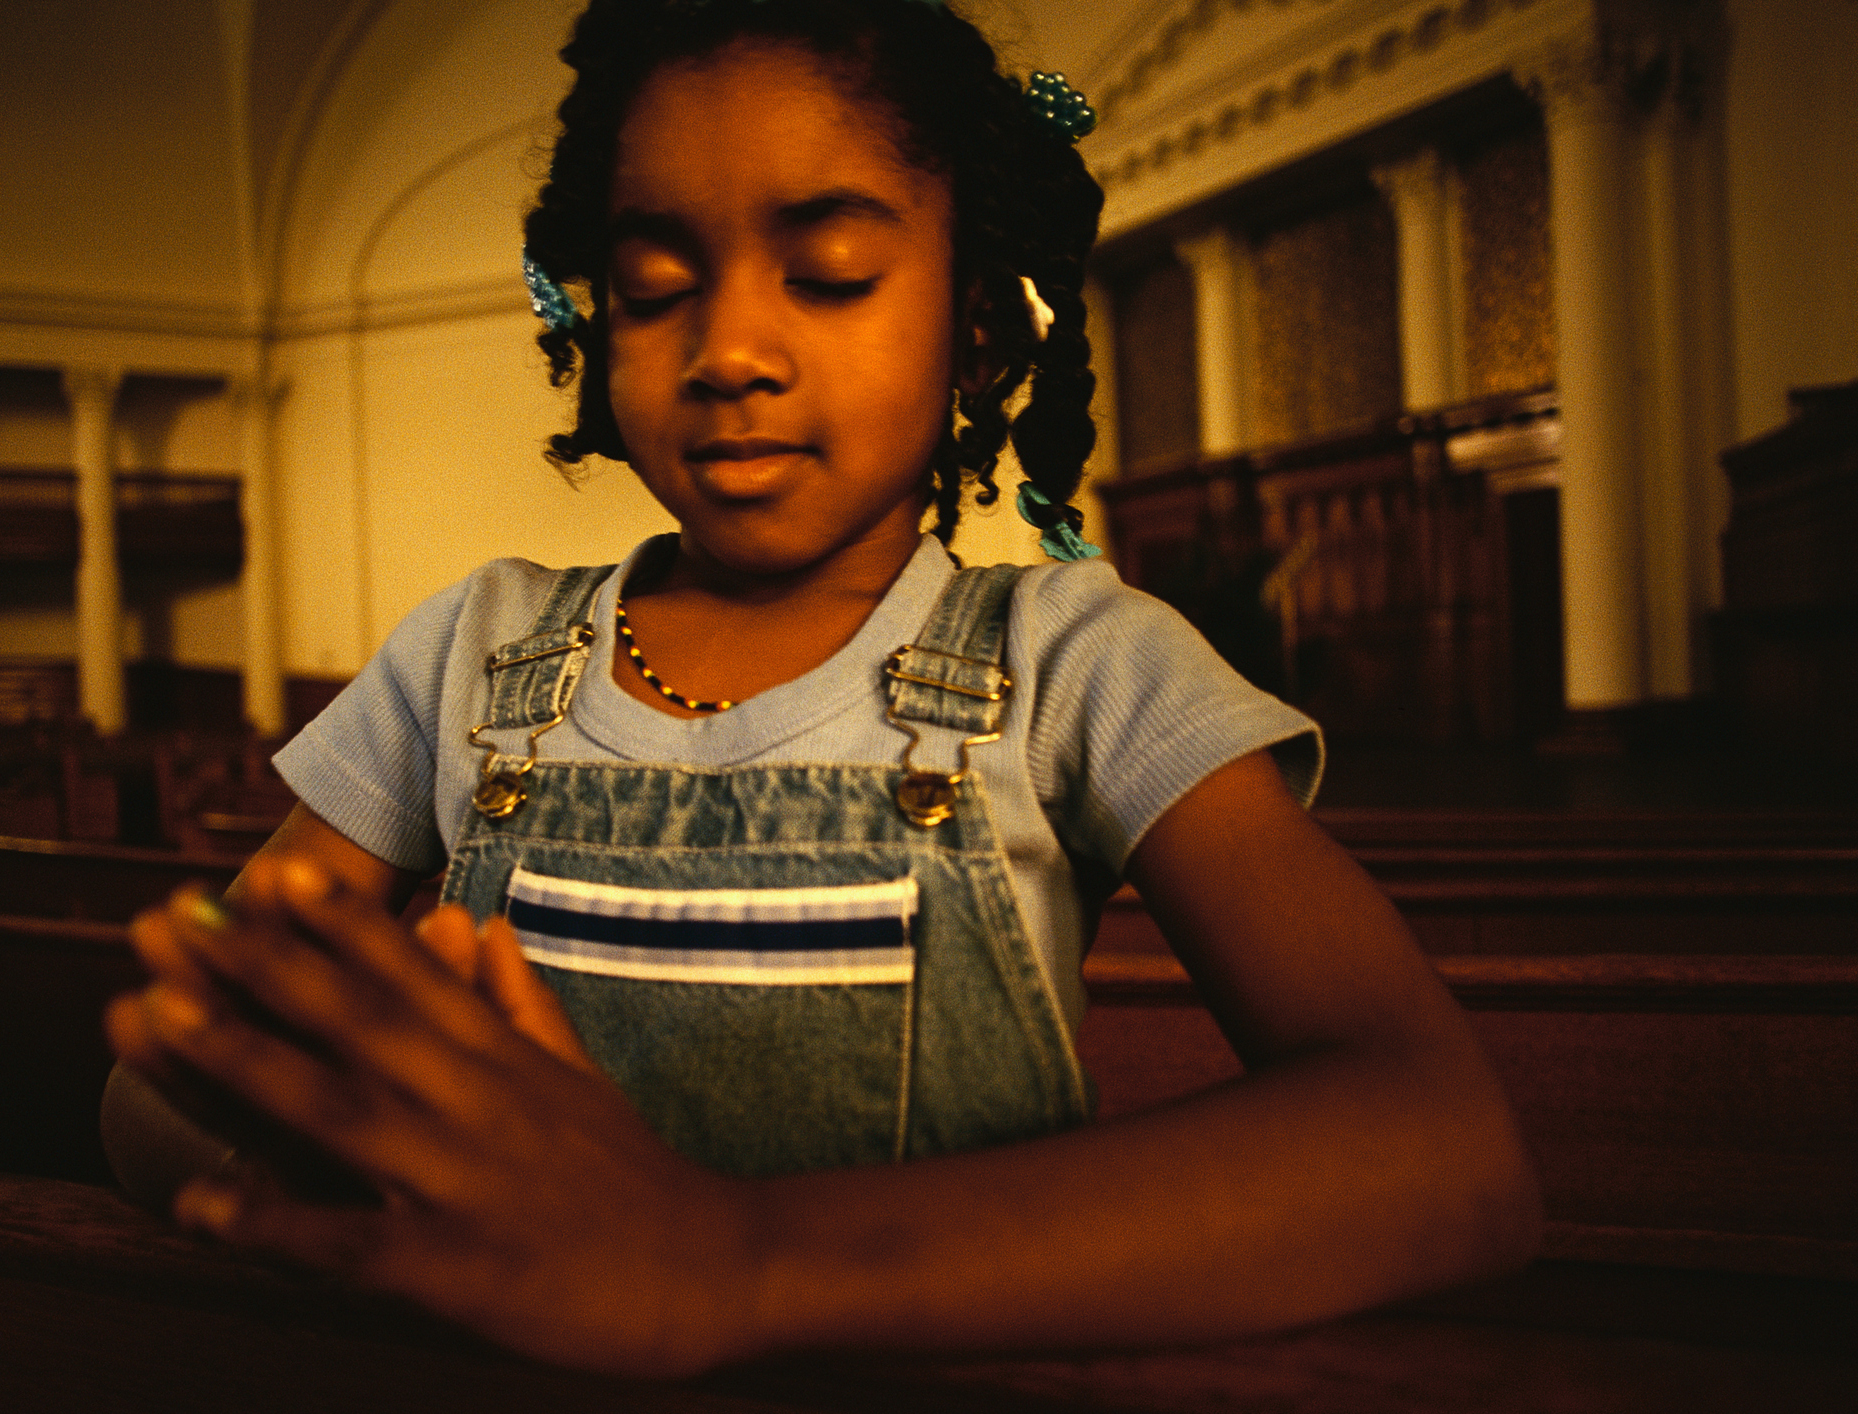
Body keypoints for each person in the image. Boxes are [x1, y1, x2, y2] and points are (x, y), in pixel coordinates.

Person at [103, 0, 1540, 1380]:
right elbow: (165, 1069)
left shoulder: (1074, 664)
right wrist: (371, 1193)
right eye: (657, 285)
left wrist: (724, 1258)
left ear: (974, 329)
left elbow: (1440, 1148)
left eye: (833, 272)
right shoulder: (470, 656)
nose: (728, 351)